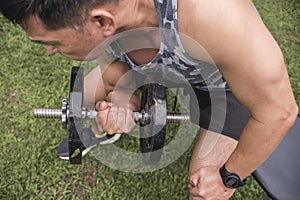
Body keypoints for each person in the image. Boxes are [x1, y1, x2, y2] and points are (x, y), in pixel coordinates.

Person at [0, 0, 298, 199]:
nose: (50, 51)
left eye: (52, 43)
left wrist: (228, 178)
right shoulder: (106, 22)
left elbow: (278, 112)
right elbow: (114, 70)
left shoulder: (216, 16)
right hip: (153, 63)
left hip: (221, 86)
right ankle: (100, 133)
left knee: (202, 190)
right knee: (88, 94)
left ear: (102, 21)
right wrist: (122, 103)